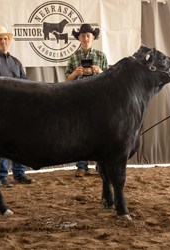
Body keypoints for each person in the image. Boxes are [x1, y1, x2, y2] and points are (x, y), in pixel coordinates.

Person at [0, 26, 34, 187]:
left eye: (5, 39)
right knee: (2, 144)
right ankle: (1, 177)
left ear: (9, 41)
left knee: (19, 142)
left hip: (17, 109)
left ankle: (19, 174)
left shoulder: (16, 62)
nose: (3, 41)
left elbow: (25, 83)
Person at [65, 23, 109, 177]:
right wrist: (75, 73)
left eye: (88, 36)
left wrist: (100, 71)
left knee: (100, 132)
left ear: (93, 38)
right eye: (82, 36)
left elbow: (110, 80)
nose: (85, 38)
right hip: (80, 98)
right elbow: (67, 81)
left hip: (98, 99)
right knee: (81, 133)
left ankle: (100, 165)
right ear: (79, 38)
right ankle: (81, 166)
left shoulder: (101, 56)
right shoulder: (73, 57)